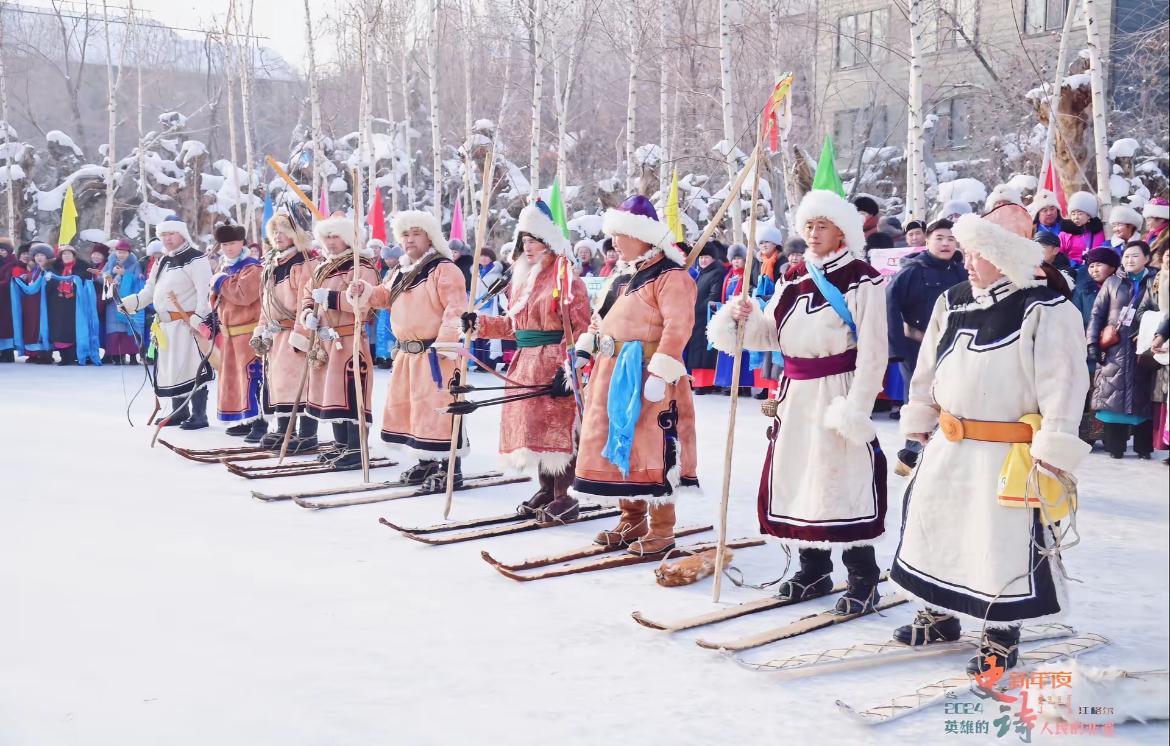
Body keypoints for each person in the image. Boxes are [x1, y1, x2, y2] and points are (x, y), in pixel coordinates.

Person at [890, 210, 1089, 676]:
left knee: (998, 544)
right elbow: (927, 367)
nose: (968, 261)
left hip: (1008, 450)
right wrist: (919, 419)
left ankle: (1001, 633)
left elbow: (1064, 383)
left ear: (1007, 255)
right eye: (968, 251)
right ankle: (939, 613)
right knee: (935, 529)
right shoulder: (953, 301)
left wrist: (1054, 450)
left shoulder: (1046, 307)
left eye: (980, 253)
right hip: (949, 441)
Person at [711, 189, 888, 612]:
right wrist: (740, 319)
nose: (812, 232)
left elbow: (874, 347)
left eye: (821, 225)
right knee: (802, 479)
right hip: (795, 394)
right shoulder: (791, 279)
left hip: (838, 390)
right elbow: (767, 336)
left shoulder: (862, 277)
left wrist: (857, 405)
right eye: (808, 225)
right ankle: (814, 568)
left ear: (842, 230)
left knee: (843, 482)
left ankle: (863, 577)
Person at [573, 195, 699, 556]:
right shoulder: (621, 276)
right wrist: (586, 348)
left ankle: (662, 529)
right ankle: (631, 519)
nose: (615, 243)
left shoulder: (672, 277)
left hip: (650, 376)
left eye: (622, 234)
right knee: (618, 445)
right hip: (612, 374)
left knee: (654, 451)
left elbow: (679, 325)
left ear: (644, 236)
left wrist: (661, 368)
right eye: (612, 235)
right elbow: (601, 320)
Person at [462, 201, 592, 521]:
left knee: (559, 431)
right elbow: (514, 328)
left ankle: (565, 494)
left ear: (549, 243)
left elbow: (580, 328)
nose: (528, 248)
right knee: (534, 433)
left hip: (554, 363)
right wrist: (478, 324)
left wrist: (570, 367)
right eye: (524, 242)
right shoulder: (520, 281)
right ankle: (546, 489)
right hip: (524, 364)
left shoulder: (567, 279)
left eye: (534, 241)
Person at [346, 210, 466, 485]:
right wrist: (362, 290)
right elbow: (383, 297)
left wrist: (447, 340)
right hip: (407, 353)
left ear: (429, 237)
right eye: (405, 235)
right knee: (414, 410)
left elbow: (456, 307)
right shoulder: (400, 270)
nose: (409, 240)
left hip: (436, 354)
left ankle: (450, 469)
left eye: (416, 234)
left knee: (440, 409)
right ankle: (425, 462)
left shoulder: (443, 268)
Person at [289, 214, 379, 468]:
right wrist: (308, 315)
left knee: (351, 392)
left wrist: (330, 299)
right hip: (325, 339)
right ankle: (341, 445)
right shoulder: (322, 266)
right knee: (331, 394)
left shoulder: (361, 266)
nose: (330, 242)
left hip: (349, 338)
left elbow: (366, 304)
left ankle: (355, 448)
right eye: (326, 237)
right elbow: (308, 295)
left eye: (335, 236)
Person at [885, 218, 967, 475]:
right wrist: (896, 348)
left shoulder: (963, 272)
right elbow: (889, 306)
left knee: (952, 401)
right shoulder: (912, 270)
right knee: (920, 401)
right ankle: (910, 456)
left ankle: (945, 458)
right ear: (928, 240)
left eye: (951, 239)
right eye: (940, 238)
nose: (945, 243)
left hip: (956, 348)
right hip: (917, 348)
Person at [119, 216, 213, 429]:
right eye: (163, 235)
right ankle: (179, 413)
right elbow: (150, 291)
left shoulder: (196, 259)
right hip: (165, 326)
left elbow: (204, 293)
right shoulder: (163, 261)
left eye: (171, 233)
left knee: (191, 367)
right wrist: (131, 303)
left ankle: (199, 415)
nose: (167, 239)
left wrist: (198, 319)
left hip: (187, 324)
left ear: (182, 234)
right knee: (171, 369)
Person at [250, 210, 320, 451]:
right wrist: (261, 328)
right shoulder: (272, 262)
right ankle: (282, 430)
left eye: (283, 231)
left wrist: (302, 334)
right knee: (277, 383)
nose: (278, 236)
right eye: (275, 231)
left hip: (294, 332)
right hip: (275, 334)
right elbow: (267, 301)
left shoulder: (306, 263)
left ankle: (307, 434)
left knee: (301, 384)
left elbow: (307, 301)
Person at [1087, 240, 1158, 459]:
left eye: (1135, 256)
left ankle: (1144, 448)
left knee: (1145, 398)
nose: (1129, 260)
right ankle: (1115, 448)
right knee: (1112, 399)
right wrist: (1092, 343)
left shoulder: (1156, 281)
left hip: (1145, 348)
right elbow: (1097, 314)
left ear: (1147, 258)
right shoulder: (1112, 282)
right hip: (1115, 349)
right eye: (1126, 256)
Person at [208, 224, 266, 440]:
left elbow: (243, 295)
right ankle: (247, 419)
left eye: (232, 243)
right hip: (230, 333)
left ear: (242, 243)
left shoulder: (253, 268)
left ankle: (260, 423)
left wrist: (220, 282)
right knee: (235, 380)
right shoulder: (224, 267)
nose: (228, 248)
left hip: (249, 332)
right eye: (224, 245)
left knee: (253, 377)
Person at [684, 242, 727, 395]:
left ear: (713, 258)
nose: (702, 260)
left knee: (704, 351)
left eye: (706, 257)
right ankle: (699, 382)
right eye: (701, 257)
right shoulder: (702, 272)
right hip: (696, 315)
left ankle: (706, 383)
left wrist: (697, 309)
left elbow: (713, 295)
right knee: (697, 350)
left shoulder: (716, 272)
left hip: (706, 315)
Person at [46, 244, 99, 366]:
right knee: (60, 330)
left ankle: (76, 355)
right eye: (64, 254)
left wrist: (78, 281)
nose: (67, 255)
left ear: (74, 255)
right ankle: (64, 356)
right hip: (58, 304)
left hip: (75, 304)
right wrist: (50, 280)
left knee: (75, 329)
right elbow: (49, 288)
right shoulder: (55, 268)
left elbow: (88, 284)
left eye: (69, 253)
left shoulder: (82, 268)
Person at [714, 243, 753, 396]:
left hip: (742, 314)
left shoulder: (747, 274)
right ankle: (729, 382)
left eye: (739, 258)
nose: (736, 262)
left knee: (743, 350)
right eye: (734, 258)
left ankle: (744, 384)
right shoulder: (729, 275)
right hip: (729, 314)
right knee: (729, 349)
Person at [10, 242, 56, 363]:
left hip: (45, 304)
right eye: (36, 255)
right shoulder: (33, 269)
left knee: (43, 327)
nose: (39, 258)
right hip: (31, 304)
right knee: (32, 328)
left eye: (42, 255)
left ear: (48, 257)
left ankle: (46, 353)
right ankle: (33, 352)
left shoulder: (50, 270)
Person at [101, 240, 146, 365]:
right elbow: (101, 277)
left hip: (128, 299)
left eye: (124, 252)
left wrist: (124, 274)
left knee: (129, 327)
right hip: (113, 300)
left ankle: (132, 356)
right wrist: (111, 273)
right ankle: (116, 356)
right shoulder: (110, 262)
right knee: (114, 329)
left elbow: (138, 280)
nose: (121, 255)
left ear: (129, 253)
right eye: (119, 252)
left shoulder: (135, 264)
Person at [472, 246, 504, 370]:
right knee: (477, 334)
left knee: (489, 334)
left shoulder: (496, 273)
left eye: (486, 256)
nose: (483, 258)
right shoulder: (476, 272)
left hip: (490, 308)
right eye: (481, 256)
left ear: (491, 258)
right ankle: (478, 362)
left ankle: (489, 362)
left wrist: (487, 300)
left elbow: (498, 292)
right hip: (476, 308)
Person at [1060, 191, 1106, 263]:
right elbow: (1059, 254)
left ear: (1089, 215)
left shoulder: (1098, 232)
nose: (1076, 217)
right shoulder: (1065, 234)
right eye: (1073, 214)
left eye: (1080, 214)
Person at [0, 238, 18, 362]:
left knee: (6, 326)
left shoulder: (11, 263)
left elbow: (7, 281)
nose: (0, 252)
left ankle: (8, 353)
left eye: (2, 250)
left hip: (6, 299)